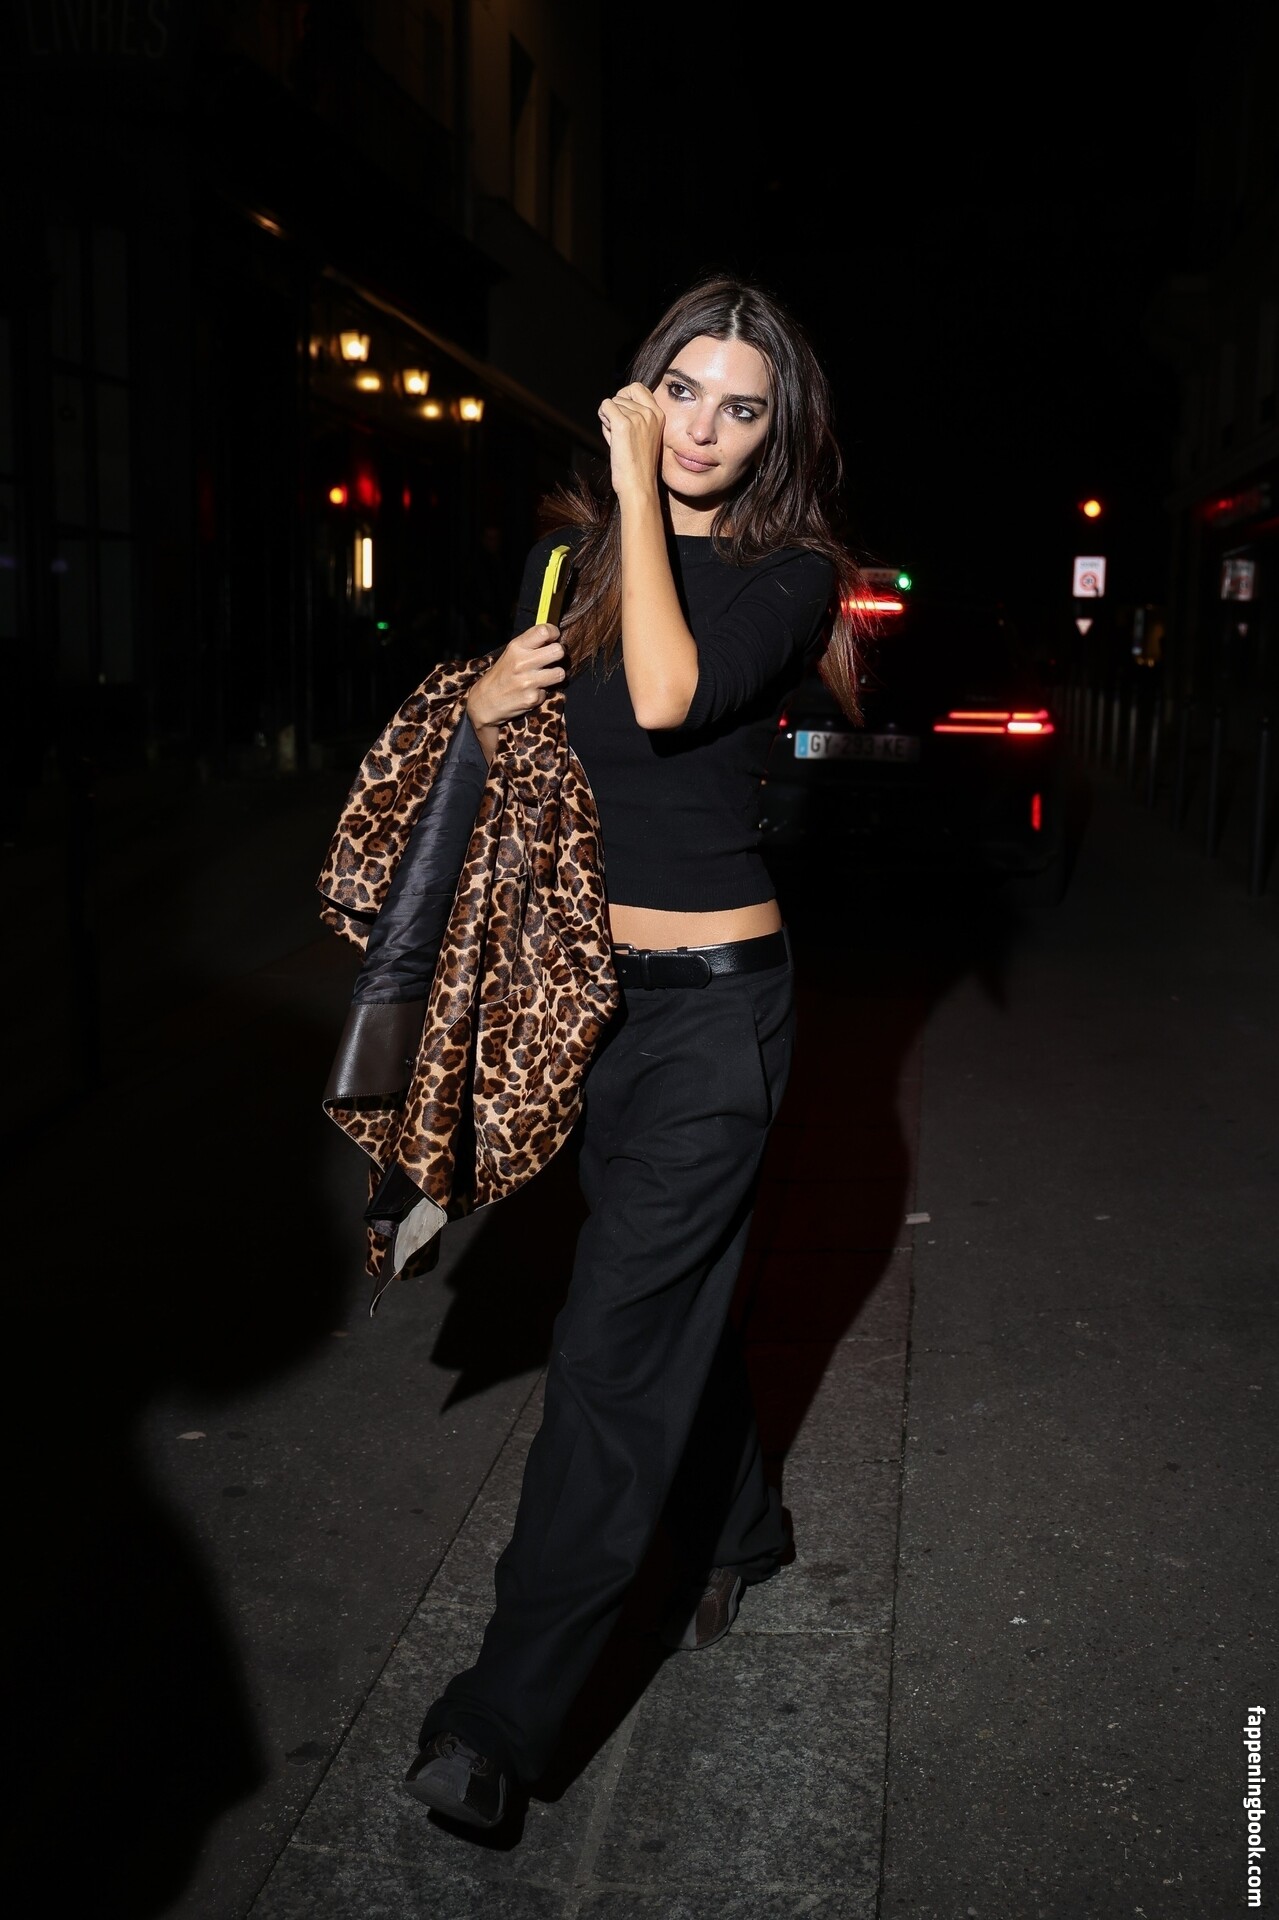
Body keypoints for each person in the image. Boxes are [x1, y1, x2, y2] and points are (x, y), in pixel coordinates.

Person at [403, 274, 868, 1831]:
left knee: (609, 1351)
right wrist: (482, 703)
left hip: (716, 1021)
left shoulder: (787, 576)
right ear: (643, 383)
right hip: (585, 1006)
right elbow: (533, 768)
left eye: (743, 408)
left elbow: (666, 697)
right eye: (684, 392)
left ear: (776, 433)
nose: (704, 430)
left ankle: (495, 1727)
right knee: (660, 1306)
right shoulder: (568, 560)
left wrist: (629, 486)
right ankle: (740, 1531)